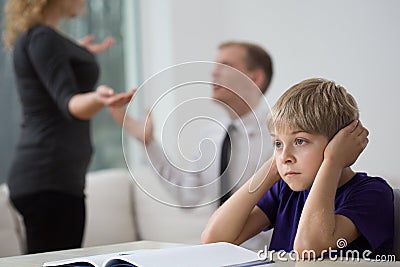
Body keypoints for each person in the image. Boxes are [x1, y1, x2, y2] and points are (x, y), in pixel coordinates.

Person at [201, 78, 394, 259]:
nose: (285, 157)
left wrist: (333, 162)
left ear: (339, 144)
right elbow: (215, 238)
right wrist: (273, 168)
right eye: (277, 143)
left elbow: (308, 248)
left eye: (300, 141)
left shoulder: (373, 193)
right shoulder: (285, 191)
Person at [109, 41, 274, 249]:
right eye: (215, 65)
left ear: (255, 78)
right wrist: (148, 142)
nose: (214, 73)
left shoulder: (281, 137)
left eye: (226, 65)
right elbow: (187, 196)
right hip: (217, 254)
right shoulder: (211, 136)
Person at [2, 0, 134, 254]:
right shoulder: (43, 38)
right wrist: (99, 98)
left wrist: (78, 53)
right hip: (48, 180)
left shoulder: (42, 37)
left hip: (50, 179)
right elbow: (70, 104)